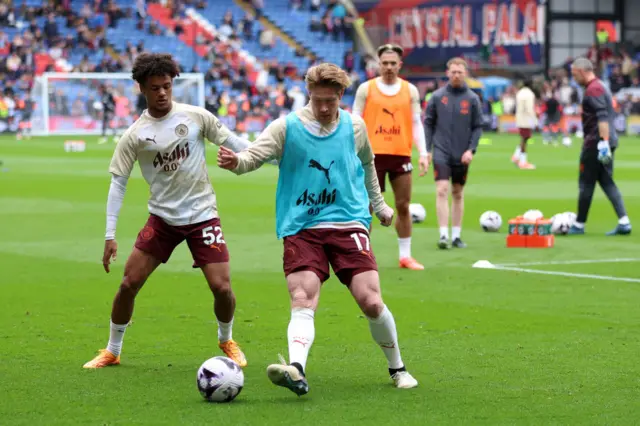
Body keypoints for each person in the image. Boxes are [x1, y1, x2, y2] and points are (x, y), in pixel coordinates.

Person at [217, 63, 419, 395]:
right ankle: (296, 369)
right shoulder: (286, 127)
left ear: (341, 95)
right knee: (302, 297)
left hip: (348, 221)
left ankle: (397, 368)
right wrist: (235, 162)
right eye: (317, 100)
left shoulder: (355, 126)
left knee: (370, 300)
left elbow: (367, 163)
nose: (324, 108)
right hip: (302, 226)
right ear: (309, 94)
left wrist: (380, 204)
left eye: (330, 101)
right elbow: (252, 157)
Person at [83, 53, 251, 369]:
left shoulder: (196, 116)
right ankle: (112, 350)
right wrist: (109, 235)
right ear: (142, 89)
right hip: (162, 219)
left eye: (167, 86)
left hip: (203, 215)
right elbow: (118, 183)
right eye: (155, 88)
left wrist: (270, 155)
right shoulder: (135, 134)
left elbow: (234, 141)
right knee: (128, 284)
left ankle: (226, 338)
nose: (162, 93)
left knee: (222, 287)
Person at [352, 44, 428, 271]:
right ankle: (362, 256)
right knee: (366, 208)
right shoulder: (366, 89)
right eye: (384, 63)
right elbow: (355, 120)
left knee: (403, 206)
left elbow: (416, 123)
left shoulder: (410, 90)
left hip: (400, 154)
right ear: (378, 64)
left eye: (393, 63)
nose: (388, 67)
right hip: (370, 157)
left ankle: (405, 256)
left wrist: (423, 152)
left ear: (399, 65)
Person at [568, 57, 631, 235]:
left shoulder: (593, 89)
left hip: (596, 142)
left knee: (586, 183)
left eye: (574, 75)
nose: (574, 79)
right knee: (606, 180)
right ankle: (624, 222)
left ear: (582, 72)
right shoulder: (601, 85)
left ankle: (579, 224)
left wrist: (602, 143)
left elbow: (602, 117)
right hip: (607, 140)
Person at [424, 57, 483, 249]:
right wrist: (427, 149)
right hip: (441, 151)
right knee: (441, 190)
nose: (456, 75)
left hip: (462, 153)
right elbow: (428, 123)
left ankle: (457, 236)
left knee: (457, 192)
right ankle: (443, 235)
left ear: (465, 73)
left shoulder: (473, 99)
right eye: (453, 72)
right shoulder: (437, 96)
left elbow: (477, 127)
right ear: (447, 73)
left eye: (460, 72)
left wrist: (471, 150)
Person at [513, 79, 537, 169]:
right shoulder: (530, 94)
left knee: (524, 138)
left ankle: (516, 156)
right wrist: (534, 120)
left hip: (520, 118)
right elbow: (529, 109)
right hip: (526, 119)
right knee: (525, 139)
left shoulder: (520, 93)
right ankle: (523, 162)